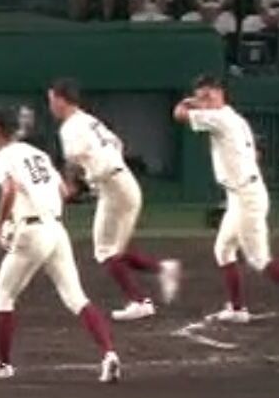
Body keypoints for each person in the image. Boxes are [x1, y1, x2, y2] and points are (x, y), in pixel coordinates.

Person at [0, 107, 120, 383]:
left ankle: (3, 365)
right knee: (76, 297)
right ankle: (109, 353)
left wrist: (0, 223)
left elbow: (9, 189)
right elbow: (64, 191)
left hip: (32, 232)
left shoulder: (3, 156)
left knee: (3, 296)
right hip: (56, 229)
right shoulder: (37, 153)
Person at [174, 75, 279, 323]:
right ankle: (237, 309)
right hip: (240, 194)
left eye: (208, 96)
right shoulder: (235, 118)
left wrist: (189, 102)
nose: (205, 102)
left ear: (220, 94)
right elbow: (254, 154)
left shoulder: (221, 118)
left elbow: (179, 114)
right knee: (223, 249)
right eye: (202, 97)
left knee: (258, 259)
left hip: (247, 196)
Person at [47, 77, 180, 323]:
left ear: (62, 100)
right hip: (118, 183)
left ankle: (140, 301)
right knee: (110, 249)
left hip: (116, 187)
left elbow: (74, 162)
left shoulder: (70, 127)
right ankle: (161, 270)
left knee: (107, 251)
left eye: (53, 99)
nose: (51, 105)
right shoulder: (89, 120)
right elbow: (118, 143)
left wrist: (71, 186)